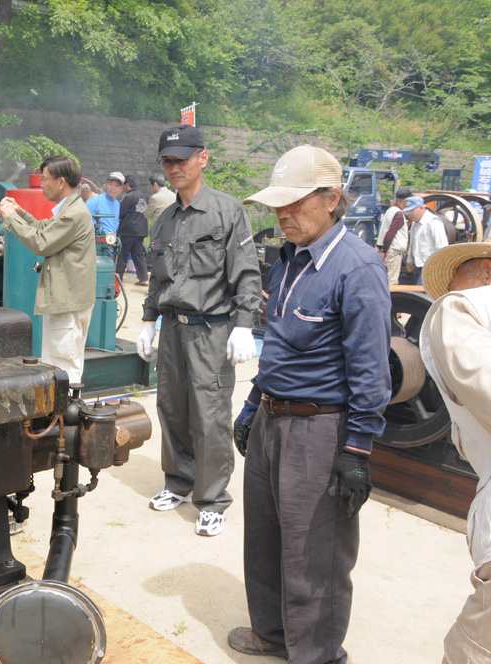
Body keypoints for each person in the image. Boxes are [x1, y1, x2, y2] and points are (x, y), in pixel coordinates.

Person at [229, 145, 391, 662]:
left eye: (294, 204)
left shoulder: (357, 267)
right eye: (277, 205)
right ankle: (273, 633)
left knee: (314, 551)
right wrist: (254, 403)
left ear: (331, 199)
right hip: (274, 419)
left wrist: (358, 450)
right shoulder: (290, 258)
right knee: (266, 537)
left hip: (320, 430)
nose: (282, 215)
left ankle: (317, 653)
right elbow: (278, 341)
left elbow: (371, 368)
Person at [135, 124, 261, 537]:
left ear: (202, 158)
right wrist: (148, 320)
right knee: (171, 409)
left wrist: (245, 325)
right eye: (167, 161)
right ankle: (179, 483)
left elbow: (246, 275)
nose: (174, 168)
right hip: (172, 327)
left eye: (182, 159)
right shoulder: (165, 219)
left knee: (210, 416)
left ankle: (212, 499)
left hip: (212, 329)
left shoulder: (227, 211)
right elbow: (157, 277)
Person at [419, 242, 491, 664]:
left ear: (484, 272)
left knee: (474, 650)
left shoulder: (459, 309)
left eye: (455, 282)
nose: (447, 293)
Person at [0, 156, 96, 384]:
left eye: (45, 179)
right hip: (68, 299)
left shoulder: (73, 213)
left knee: (63, 366)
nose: (41, 183)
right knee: (60, 361)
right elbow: (44, 228)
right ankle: (62, 414)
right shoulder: (69, 208)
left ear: (61, 182)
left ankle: (67, 414)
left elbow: (42, 242)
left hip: (66, 302)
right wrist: (21, 213)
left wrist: (11, 218)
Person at [405, 195, 448, 286]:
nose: (410, 215)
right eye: (407, 212)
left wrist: (438, 266)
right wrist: (410, 260)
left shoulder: (433, 222)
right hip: (418, 265)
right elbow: (412, 243)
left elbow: (441, 246)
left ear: (421, 207)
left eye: (412, 211)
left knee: (419, 293)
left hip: (430, 266)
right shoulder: (414, 224)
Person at [116, 174, 149, 286]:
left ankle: (118, 278)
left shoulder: (128, 197)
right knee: (138, 254)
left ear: (128, 184)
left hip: (128, 230)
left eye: (123, 185)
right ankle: (144, 278)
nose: (122, 188)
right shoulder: (144, 196)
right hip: (141, 230)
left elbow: (121, 213)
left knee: (122, 254)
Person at [376, 187, 412, 286]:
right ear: (405, 200)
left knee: (385, 278)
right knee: (392, 280)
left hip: (387, 249)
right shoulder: (399, 214)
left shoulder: (390, 210)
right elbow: (390, 234)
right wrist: (384, 251)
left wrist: (381, 249)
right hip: (393, 251)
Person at [144, 172, 176, 242]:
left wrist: (155, 213)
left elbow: (147, 214)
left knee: (157, 251)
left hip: (158, 231)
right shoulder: (173, 195)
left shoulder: (155, 197)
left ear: (155, 184)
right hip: (172, 229)